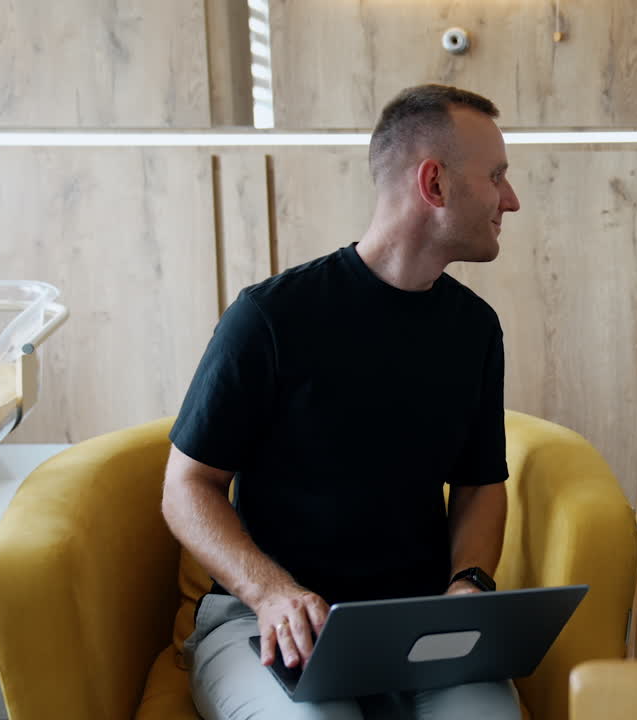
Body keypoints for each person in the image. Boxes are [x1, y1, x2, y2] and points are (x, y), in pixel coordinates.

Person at [161, 84, 523, 720]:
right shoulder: (270, 317)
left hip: (412, 630)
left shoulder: (476, 329)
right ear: (434, 184)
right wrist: (271, 592)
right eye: (497, 176)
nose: (511, 200)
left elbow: (478, 485)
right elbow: (187, 487)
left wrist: (469, 583)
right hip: (259, 624)